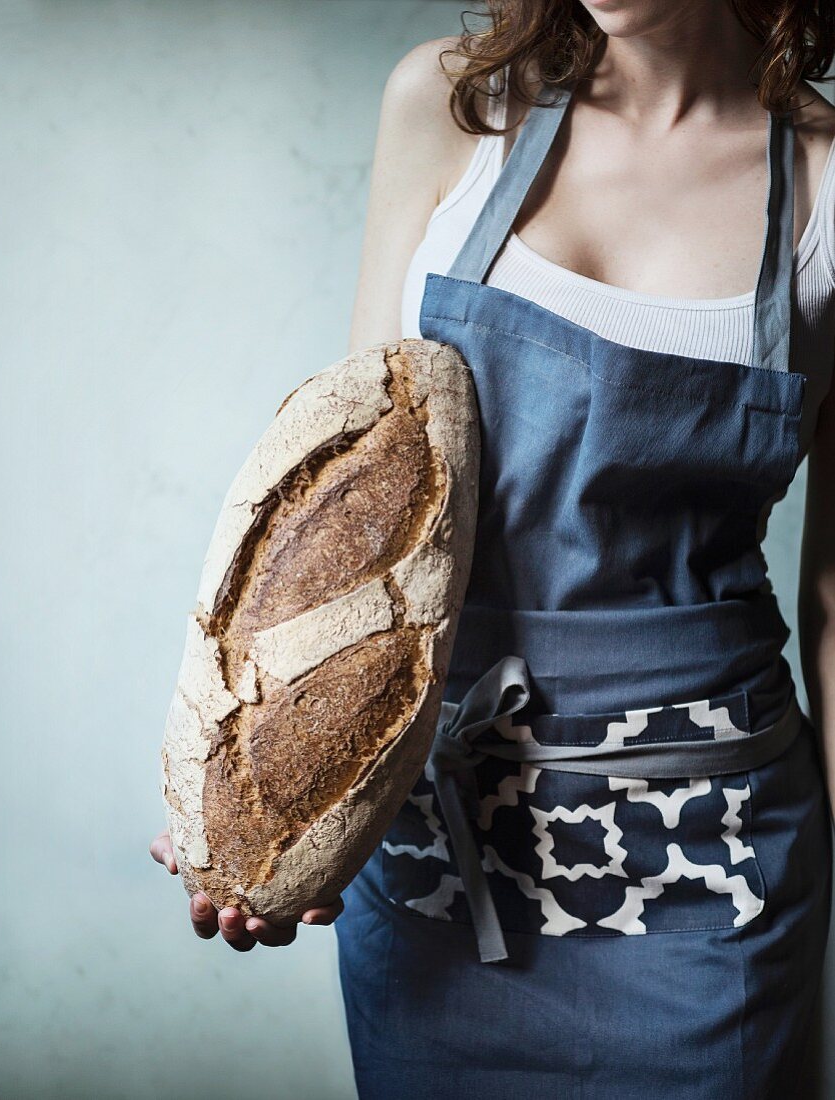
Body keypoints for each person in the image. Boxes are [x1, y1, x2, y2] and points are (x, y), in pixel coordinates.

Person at [151, 1, 835, 1094]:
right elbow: (362, 485)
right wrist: (285, 796)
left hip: (710, 869)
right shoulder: (448, 104)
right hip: (434, 852)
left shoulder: (823, 179)